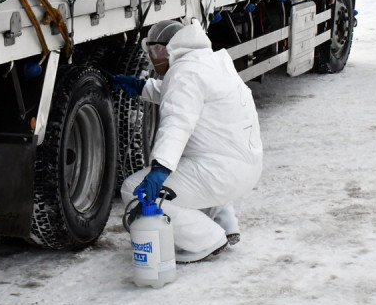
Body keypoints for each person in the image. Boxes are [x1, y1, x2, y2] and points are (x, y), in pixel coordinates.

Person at [112, 19, 263, 263]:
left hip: (221, 173)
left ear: (165, 49)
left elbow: (177, 122)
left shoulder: (183, 73)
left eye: (153, 53)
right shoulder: (209, 62)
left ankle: (205, 240)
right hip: (244, 168)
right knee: (195, 164)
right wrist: (142, 87)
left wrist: (160, 169)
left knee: (133, 188)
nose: (152, 60)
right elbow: (183, 95)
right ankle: (226, 222)